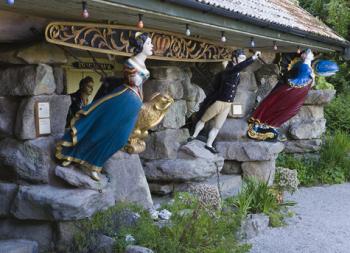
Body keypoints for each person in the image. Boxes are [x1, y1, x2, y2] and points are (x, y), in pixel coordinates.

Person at [56, 32, 153, 181]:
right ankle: (77, 156)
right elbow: (134, 82)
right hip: (122, 101)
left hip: (133, 105)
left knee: (120, 139)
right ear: (141, 46)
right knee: (100, 131)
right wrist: (137, 77)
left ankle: (95, 163)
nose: (152, 46)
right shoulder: (130, 63)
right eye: (149, 43)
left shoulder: (142, 64)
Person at [188, 49, 262, 153]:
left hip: (227, 105)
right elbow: (239, 67)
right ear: (234, 59)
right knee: (203, 119)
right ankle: (193, 136)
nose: (242, 61)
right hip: (218, 102)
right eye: (240, 58)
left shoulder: (236, 74)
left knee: (217, 127)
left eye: (243, 59)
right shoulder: (230, 70)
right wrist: (253, 58)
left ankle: (209, 144)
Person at [247, 49, 315, 141]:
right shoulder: (301, 66)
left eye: (307, 54)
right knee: (277, 106)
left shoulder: (307, 67)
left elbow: (301, 81)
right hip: (290, 91)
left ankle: (269, 125)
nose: (306, 55)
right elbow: (294, 78)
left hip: (295, 93)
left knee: (286, 109)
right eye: (305, 53)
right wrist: (288, 79)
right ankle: (263, 124)